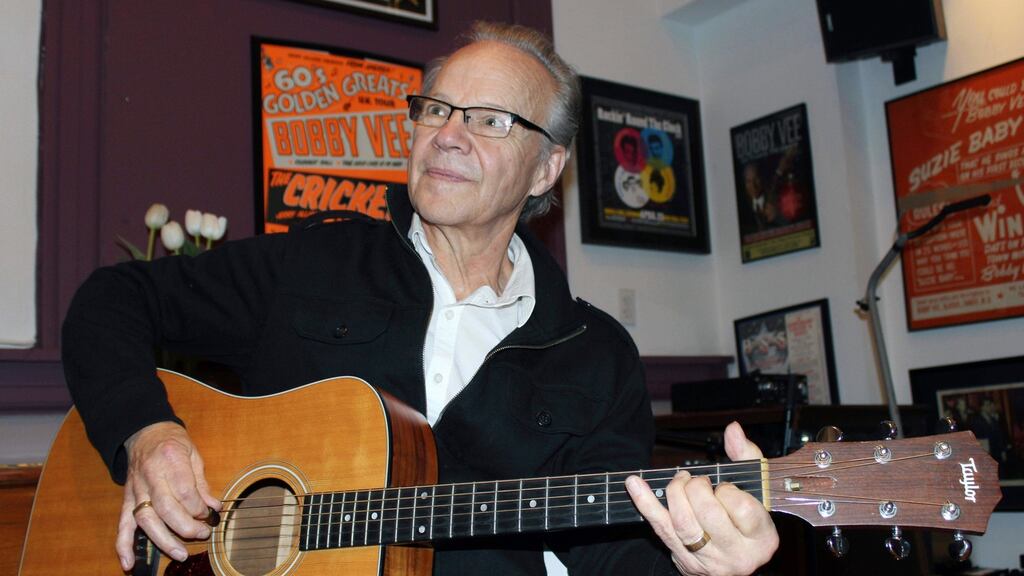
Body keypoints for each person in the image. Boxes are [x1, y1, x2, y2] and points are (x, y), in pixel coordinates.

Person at [61, 22, 777, 576]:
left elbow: (608, 554)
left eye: (492, 120)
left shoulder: (596, 355)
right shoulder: (316, 261)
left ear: (545, 170)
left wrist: (698, 560)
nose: (449, 134)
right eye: (437, 109)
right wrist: (149, 434)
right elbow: (109, 302)